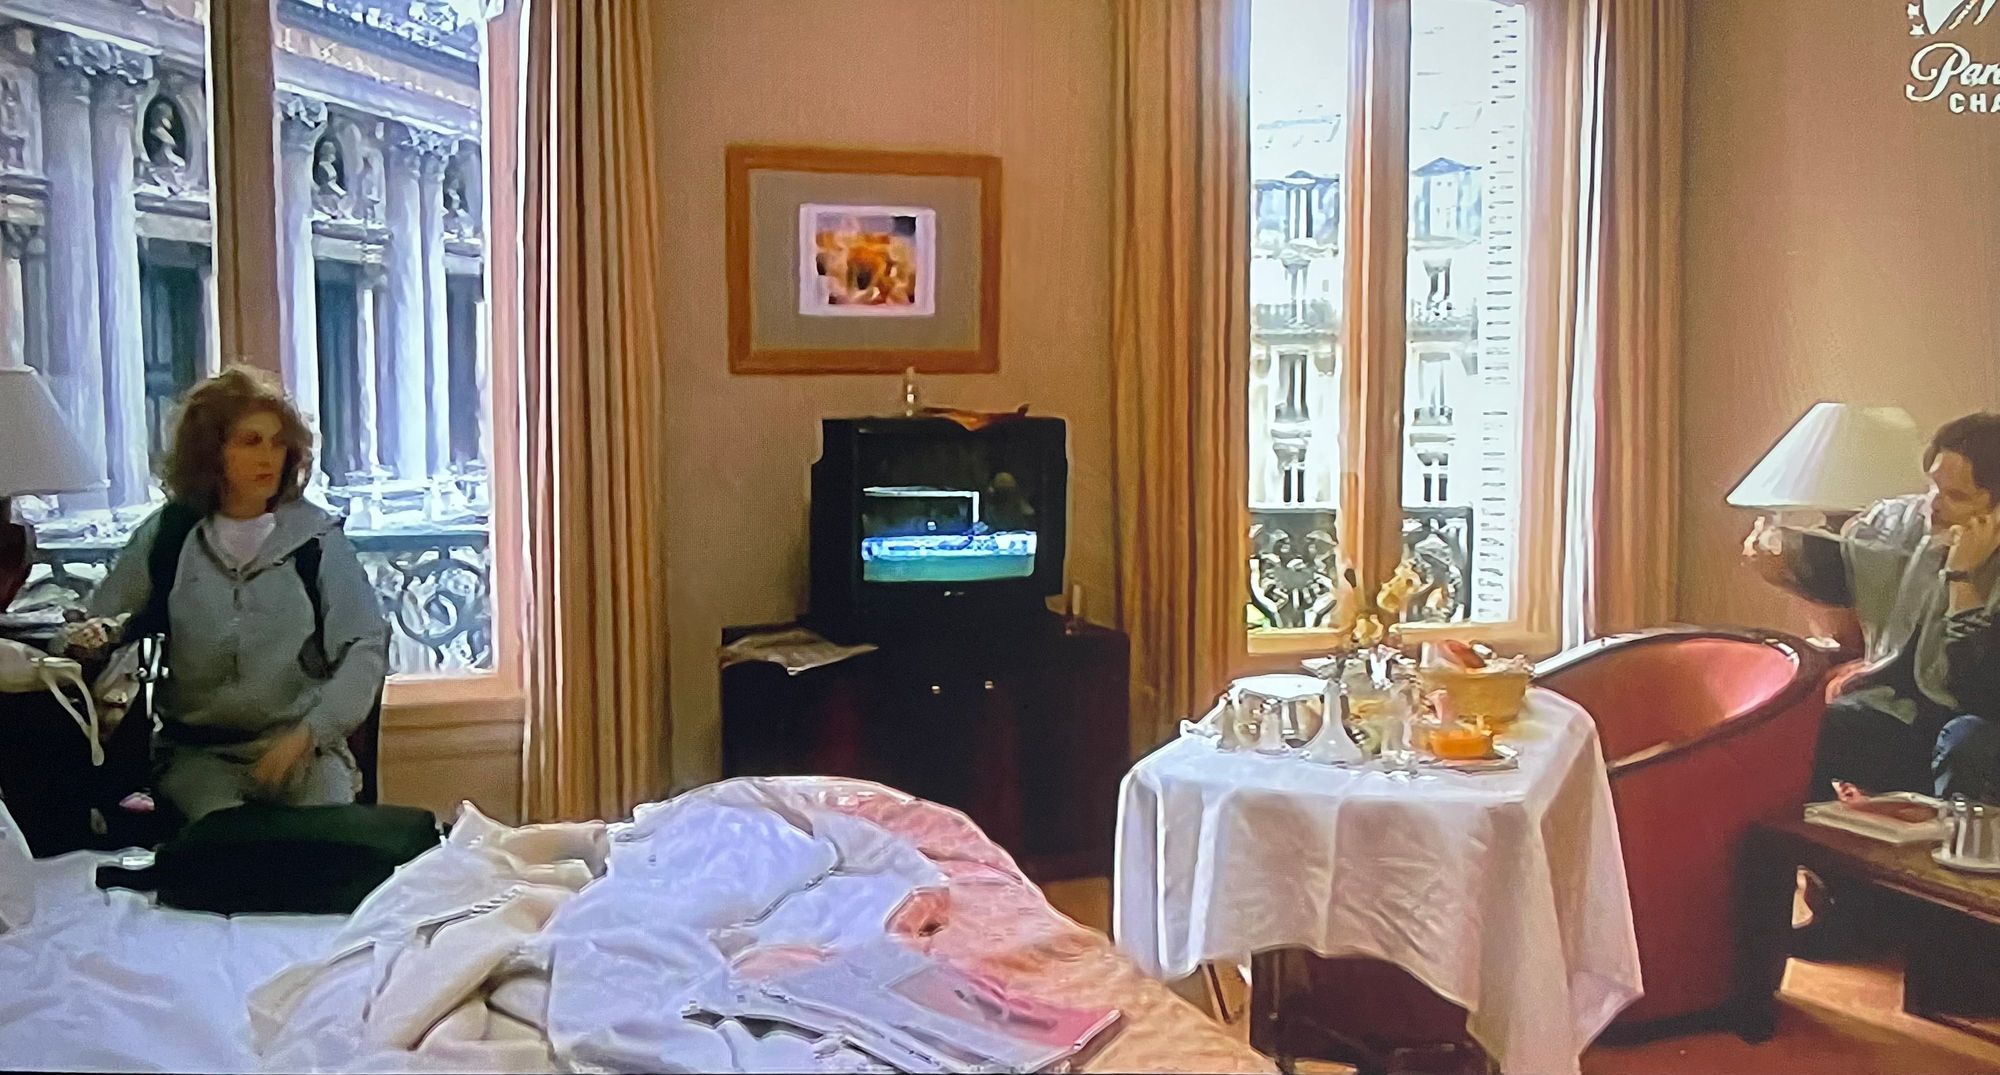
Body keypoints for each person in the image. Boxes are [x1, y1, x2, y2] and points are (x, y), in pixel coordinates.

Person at [64, 369, 387, 822]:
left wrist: (309, 734)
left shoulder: (317, 541)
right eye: (250, 442)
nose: (268, 458)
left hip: (302, 750)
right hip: (199, 757)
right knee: (226, 845)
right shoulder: (170, 536)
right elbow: (101, 622)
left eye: (277, 443)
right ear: (211, 452)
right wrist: (87, 639)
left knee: (324, 843)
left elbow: (364, 648)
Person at [1744, 412, 2000, 804]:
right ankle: (1804, 841)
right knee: (1813, 728)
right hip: (1902, 719)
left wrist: (1963, 580)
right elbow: (1856, 559)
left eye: (1957, 496)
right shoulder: (1913, 523)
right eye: (1934, 486)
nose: (1933, 505)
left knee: (1968, 741)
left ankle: (1953, 845)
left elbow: (1982, 692)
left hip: (1974, 727)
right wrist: (1781, 554)